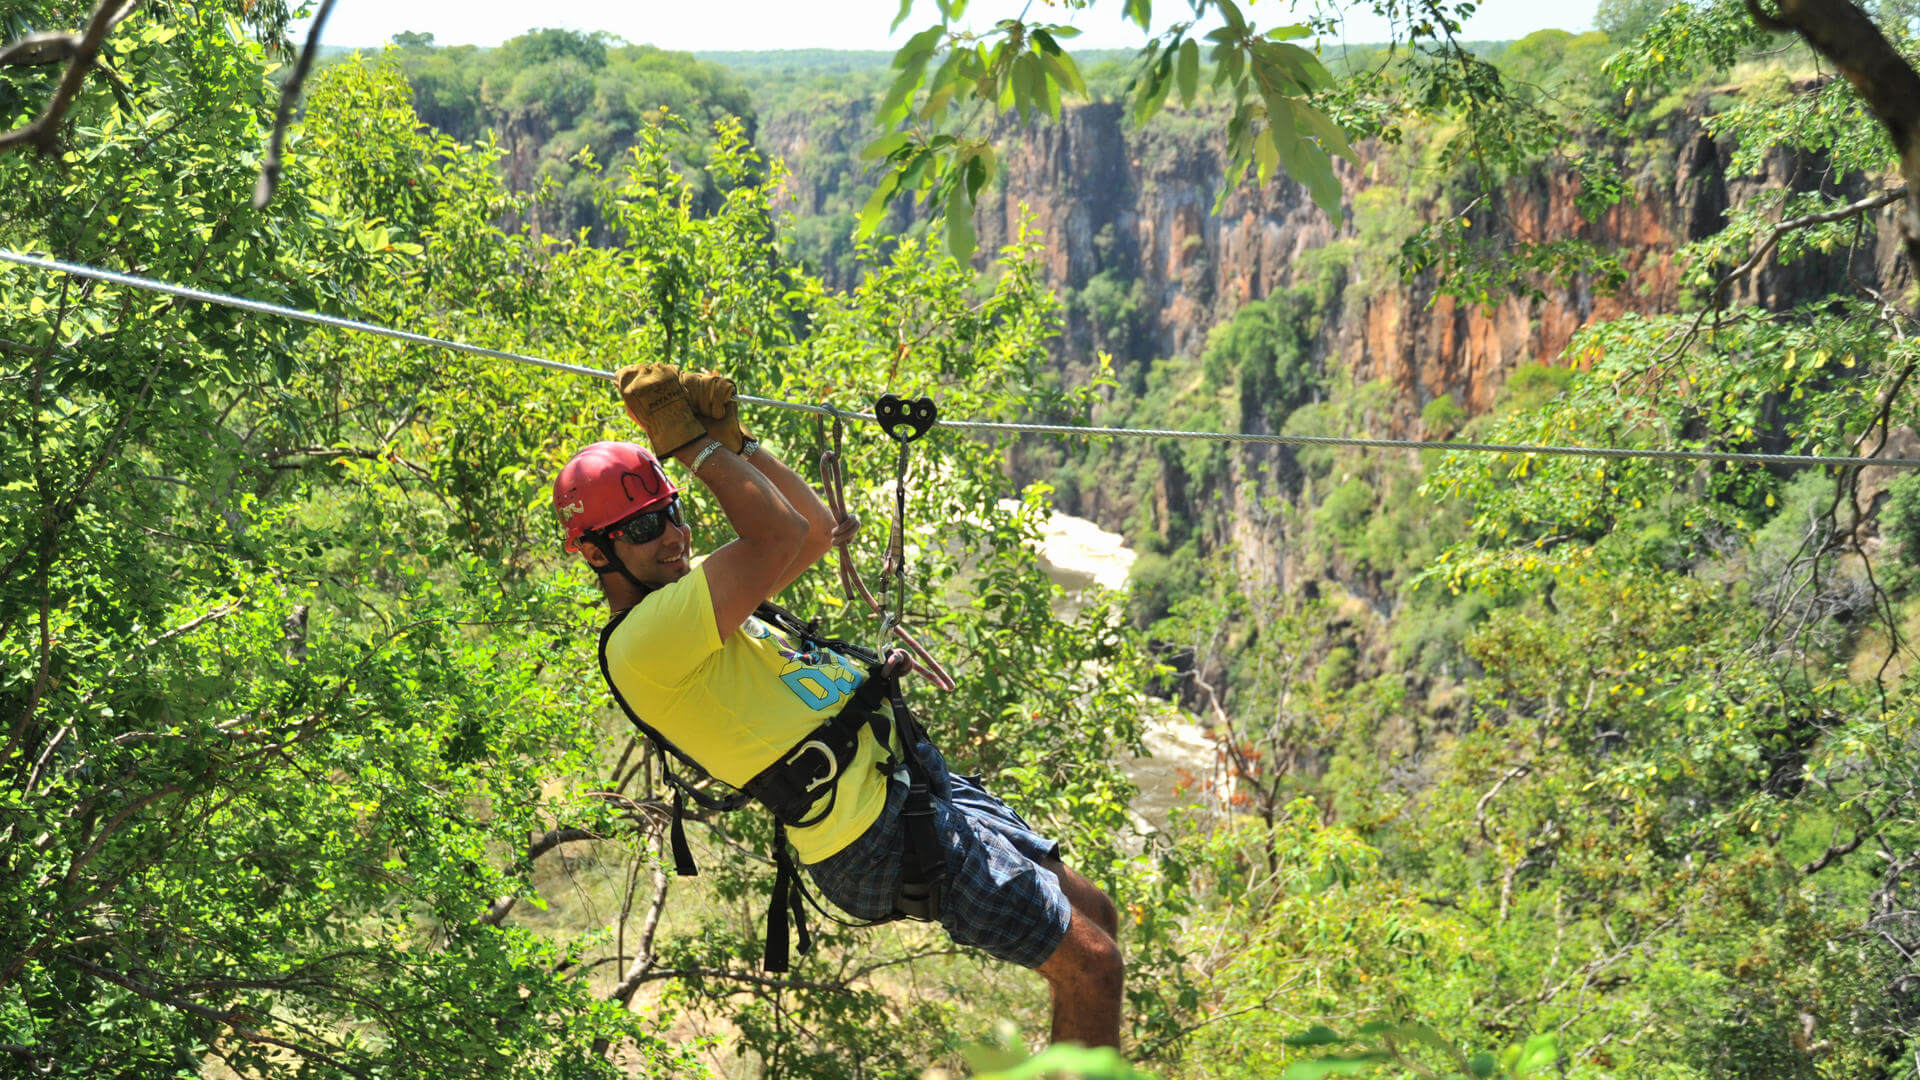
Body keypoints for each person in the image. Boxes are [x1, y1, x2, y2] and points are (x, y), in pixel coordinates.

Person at [551, 363, 1125, 1048]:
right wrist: (694, 448)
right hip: (869, 830)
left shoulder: (695, 594)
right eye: (643, 527)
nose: (672, 534)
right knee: (1093, 964)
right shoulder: (643, 642)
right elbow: (771, 535)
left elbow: (812, 531)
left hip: (906, 781)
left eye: (671, 510)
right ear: (593, 552)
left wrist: (737, 446)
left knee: (1096, 914)